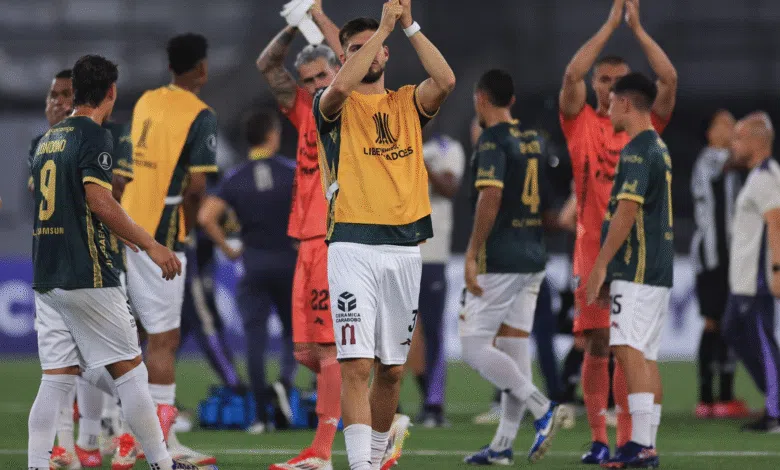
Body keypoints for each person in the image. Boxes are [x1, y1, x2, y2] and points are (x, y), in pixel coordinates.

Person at [27, 53, 205, 470]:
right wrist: (152, 245)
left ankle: (37, 463)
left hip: (47, 274)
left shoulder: (48, 139)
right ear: (112, 92)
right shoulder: (94, 135)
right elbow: (100, 201)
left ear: (75, 92)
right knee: (131, 373)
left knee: (55, 379)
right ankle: (162, 462)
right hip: (88, 272)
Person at [314, 1, 455, 468]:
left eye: (373, 47)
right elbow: (340, 85)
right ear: (343, 58)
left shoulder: (407, 102)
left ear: (388, 54)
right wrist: (380, 31)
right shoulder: (332, 104)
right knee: (356, 365)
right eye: (353, 50)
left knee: (392, 371)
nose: (367, 54)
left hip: (404, 249)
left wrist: (407, 25)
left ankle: (375, 459)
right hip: (352, 246)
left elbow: (446, 80)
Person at [559, 0, 676, 462]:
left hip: (631, 251)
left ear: (628, 93)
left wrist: (637, 29)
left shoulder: (642, 132)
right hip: (592, 245)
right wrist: (610, 25)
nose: (608, 88)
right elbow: (571, 74)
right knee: (600, 343)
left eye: (617, 81)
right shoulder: (582, 122)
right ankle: (600, 438)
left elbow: (668, 80)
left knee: (629, 347)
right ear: (595, 84)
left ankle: (632, 439)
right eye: (603, 80)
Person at [121, 33, 218, 466]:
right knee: (164, 340)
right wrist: (189, 229)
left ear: (169, 67)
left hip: (125, 226)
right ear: (202, 68)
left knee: (135, 338)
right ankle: (160, 444)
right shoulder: (200, 113)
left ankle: (120, 429)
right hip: (160, 237)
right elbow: (196, 186)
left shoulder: (146, 100)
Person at [256, 1, 345, 466]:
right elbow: (268, 66)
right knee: (308, 352)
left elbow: (353, 61)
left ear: (338, 74)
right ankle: (381, 420)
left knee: (329, 350)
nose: (314, 86)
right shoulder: (304, 110)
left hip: (334, 239)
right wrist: (294, 26)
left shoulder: (349, 106)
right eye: (307, 80)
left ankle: (322, 451)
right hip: (305, 243)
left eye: (322, 76)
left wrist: (320, 17)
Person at [460, 69, 565, 466]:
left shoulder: (491, 140)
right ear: (512, 100)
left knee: (473, 346)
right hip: (533, 256)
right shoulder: (533, 140)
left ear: (480, 98)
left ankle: (543, 408)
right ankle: (503, 445)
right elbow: (546, 204)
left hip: (501, 258)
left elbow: (490, 195)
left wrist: (472, 252)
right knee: (513, 347)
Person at [585, 72, 673, 468]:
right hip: (656, 268)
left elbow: (626, 210)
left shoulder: (638, 150)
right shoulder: (658, 146)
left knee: (626, 348)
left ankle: (639, 444)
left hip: (637, 269)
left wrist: (602, 263)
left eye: (611, 102)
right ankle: (646, 443)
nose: (607, 109)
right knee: (646, 355)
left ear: (625, 103)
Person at [198, 108, 299, 436]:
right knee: (295, 333)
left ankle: (259, 418)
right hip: (289, 262)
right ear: (272, 135)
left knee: (255, 340)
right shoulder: (292, 171)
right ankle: (284, 383)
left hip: (253, 264)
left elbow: (206, 217)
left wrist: (228, 248)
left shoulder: (235, 177)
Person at [690, 110, 750, 419]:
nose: (733, 128)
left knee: (729, 322)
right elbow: (733, 163)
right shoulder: (709, 160)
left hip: (732, 255)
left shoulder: (732, 164)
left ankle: (725, 396)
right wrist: (756, 149)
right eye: (726, 124)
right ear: (710, 132)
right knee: (713, 322)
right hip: (712, 256)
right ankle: (706, 397)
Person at [723, 112, 780, 432]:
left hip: (756, 281)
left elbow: (776, 222)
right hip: (743, 280)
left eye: (738, 138)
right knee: (734, 330)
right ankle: (775, 397)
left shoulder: (766, 178)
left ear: (757, 141)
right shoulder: (757, 176)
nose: (733, 144)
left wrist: (777, 270)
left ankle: (776, 410)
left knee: (761, 339)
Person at [409, 130, 464, 427]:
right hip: (397, 252)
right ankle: (388, 403)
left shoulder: (446, 148)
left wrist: (419, 161)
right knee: (391, 332)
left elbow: (449, 188)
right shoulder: (393, 144)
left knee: (433, 331)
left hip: (431, 254)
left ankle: (434, 404)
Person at [28, 69, 74, 192]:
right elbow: (36, 189)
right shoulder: (38, 144)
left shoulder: (99, 137)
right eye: (53, 96)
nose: (58, 101)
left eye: (66, 94)